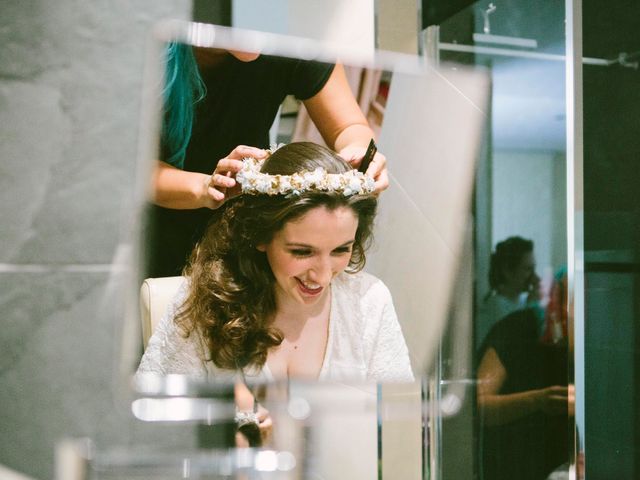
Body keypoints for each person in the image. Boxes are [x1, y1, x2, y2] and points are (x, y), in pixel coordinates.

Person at [137, 142, 413, 384]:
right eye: (302, 252)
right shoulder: (206, 304)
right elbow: (150, 426)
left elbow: (400, 430)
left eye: (341, 250)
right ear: (260, 235)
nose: (323, 275)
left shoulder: (370, 304)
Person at [147, 43, 389, 277]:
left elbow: (348, 127)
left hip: (243, 229)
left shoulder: (291, 35)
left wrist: (360, 150)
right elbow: (129, 170)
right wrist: (204, 187)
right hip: (146, 231)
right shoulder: (144, 48)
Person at [476, 236, 541, 350]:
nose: (534, 277)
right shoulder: (495, 307)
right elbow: (520, 347)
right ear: (507, 271)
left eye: (533, 269)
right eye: (527, 269)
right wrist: (530, 308)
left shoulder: (521, 301)